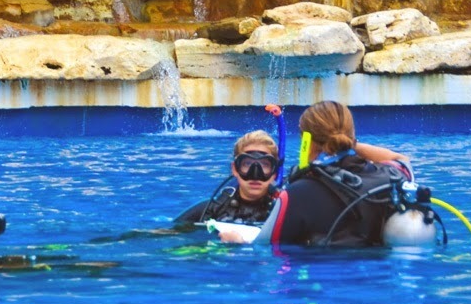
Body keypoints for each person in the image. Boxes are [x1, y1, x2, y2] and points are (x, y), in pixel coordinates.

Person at [220, 101, 419, 247]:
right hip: (376, 285)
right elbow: (401, 159)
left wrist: (238, 241)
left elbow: (264, 247)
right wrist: (349, 143)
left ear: (307, 141)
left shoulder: (296, 194)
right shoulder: (392, 177)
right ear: (352, 135)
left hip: (320, 285)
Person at [174, 130, 280, 230]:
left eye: (264, 165)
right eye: (247, 164)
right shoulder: (211, 210)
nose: (255, 174)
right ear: (235, 169)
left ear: (274, 172)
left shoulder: (283, 212)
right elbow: (170, 234)